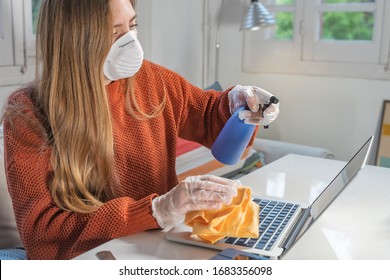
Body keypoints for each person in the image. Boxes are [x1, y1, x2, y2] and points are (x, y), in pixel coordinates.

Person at [1, 0, 279, 260]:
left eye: (132, 26)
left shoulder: (152, 80)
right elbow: (42, 235)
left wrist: (237, 105)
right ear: (74, 40)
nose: (130, 43)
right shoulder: (27, 112)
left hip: (157, 252)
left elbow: (206, 114)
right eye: (113, 32)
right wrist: (156, 210)